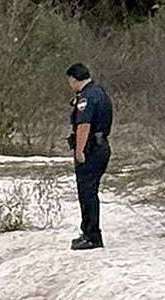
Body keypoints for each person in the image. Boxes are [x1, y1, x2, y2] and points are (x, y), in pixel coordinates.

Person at [66, 62, 114, 251]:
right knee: (89, 191)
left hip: (91, 149)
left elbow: (83, 125)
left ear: (73, 79)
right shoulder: (99, 92)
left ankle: (92, 236)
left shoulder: (86, 97)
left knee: (87, 192)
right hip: (101, 146)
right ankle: (88, 232)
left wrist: (79, 150)